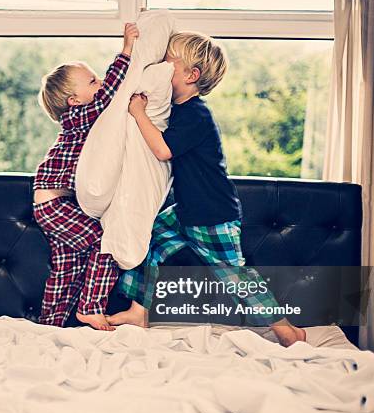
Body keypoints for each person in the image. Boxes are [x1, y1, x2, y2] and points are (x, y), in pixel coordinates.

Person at [107, 32, 306, 347]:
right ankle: (138, 311)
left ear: (191, 75)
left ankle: (286, 329)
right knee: (153, 236)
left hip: (211, 214)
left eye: (168, 62)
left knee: (235, 276)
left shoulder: (196, 115)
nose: (161, 66)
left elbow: (163, 150)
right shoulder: (179, 110)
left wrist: (139, 113)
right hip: (188, 210)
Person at [32, 22, 139, 331]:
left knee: (66, 269)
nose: (100, 82)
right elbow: (107, 95)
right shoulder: (79, 116)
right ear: (74, 101)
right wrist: (127, 50)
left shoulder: (82, 116)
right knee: (105, 242)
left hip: (51, 204)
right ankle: (90, 306)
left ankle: (48, 326)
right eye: (92, 80)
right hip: (54, 206)